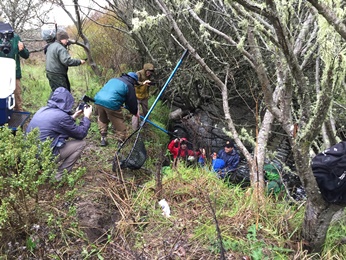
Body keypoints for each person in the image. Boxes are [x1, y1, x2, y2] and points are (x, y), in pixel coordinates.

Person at [26, 87, 93, 181]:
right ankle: (58, 177)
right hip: (42, 157)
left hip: (29, 155)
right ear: (68, 102)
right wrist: (86, 117)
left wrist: (74, 116)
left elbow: (57, 124)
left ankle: (41, 170)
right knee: (81, 144)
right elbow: (81, 134)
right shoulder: (62, 117)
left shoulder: (42, 110)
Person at [94, 72, 139, 146]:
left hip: (98, 100)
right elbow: (131, 102)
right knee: (119, 123)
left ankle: (103, 138)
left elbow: (110, 91)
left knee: (103, 119)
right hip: (111, 103)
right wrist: (134, 112)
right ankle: (120, 142)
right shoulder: (129, 85)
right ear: (133, 81)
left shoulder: (113, 79)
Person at [0, 18, 30, 111]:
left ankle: (18, 119)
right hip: (1, 74)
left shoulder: (15, 38)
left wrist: (22, 49)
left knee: (17, 98)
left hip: (14, 73)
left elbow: (26, 55)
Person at [131, 63, 155, 130]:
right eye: (148, 72)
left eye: (150, 73)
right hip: (137, 96)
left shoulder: (149, 76)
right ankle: (134, 129)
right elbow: (134, 83)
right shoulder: (139, 73)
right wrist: (143, 83)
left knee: (146, 112)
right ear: (145, 70)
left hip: (144, 97)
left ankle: (144, 125)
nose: (149, 74)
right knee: (136, 113)